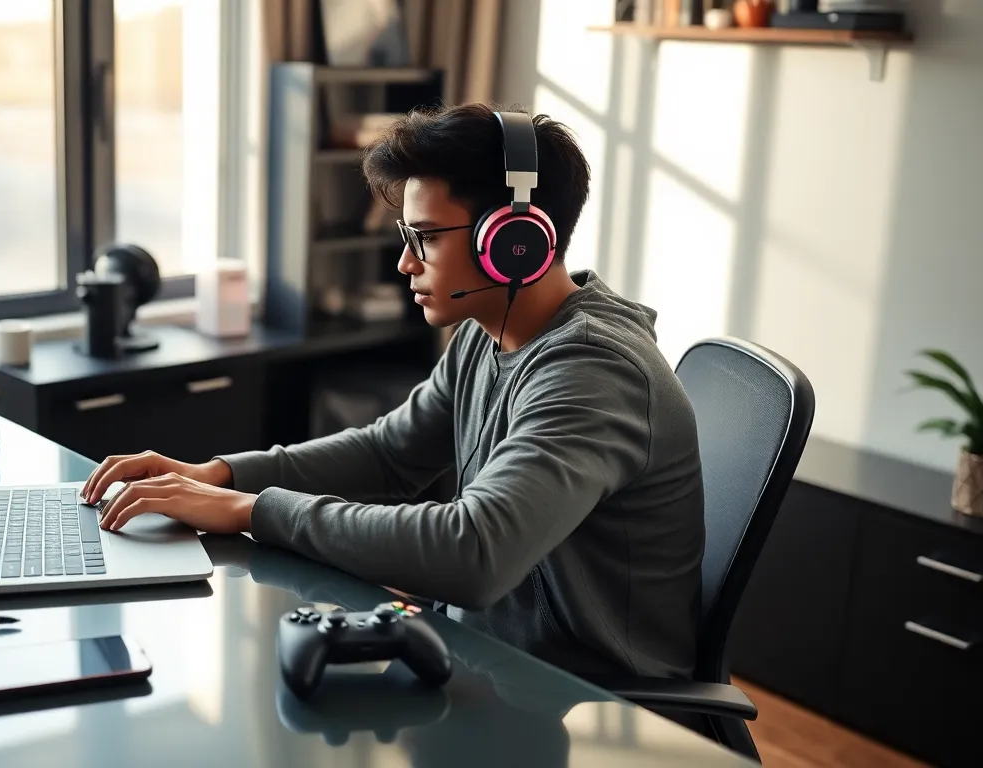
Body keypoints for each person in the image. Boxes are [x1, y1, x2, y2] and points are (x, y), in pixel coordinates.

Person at [82, 104, 705, 679]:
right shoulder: (488, 331)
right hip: (494, 665)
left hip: (590, 703)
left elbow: (474, 551)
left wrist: (251, 510)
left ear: (515, 241)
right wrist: (216, 476)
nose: (406, 263)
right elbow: (388, 454)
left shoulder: (593, 371)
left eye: (425, 238)